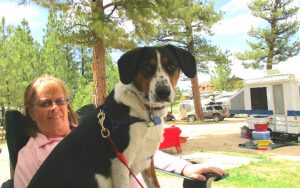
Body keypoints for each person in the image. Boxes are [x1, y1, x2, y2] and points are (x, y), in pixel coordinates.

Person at [14, 75, 225, 188]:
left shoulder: (98, 132)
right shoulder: (30, 155)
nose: (55, 108)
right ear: (31, 112)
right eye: (45, 103)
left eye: (60, 101)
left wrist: (185, 167)